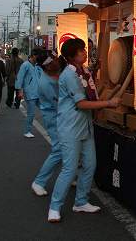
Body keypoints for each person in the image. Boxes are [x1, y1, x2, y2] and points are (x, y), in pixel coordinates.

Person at [47, 38, 120, 223]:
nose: (84, 53)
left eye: (84, 50)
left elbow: (92, 97)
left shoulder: (84, 72)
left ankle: (80, 201)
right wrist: (109, 103)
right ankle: (54, 207)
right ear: (71, 56)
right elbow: (81, 103)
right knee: (70, 169)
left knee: (90, 165)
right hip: (70, 128)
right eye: (81, 51)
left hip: (85, 127)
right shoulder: (69, 76)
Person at [31, 50, 62, 196]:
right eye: (53, 60)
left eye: (55, 58)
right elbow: (58, 103)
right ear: (47, 66)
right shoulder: (45, 83)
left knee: (70, 147)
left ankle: (70, 175)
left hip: (61, 115)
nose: (56, 61)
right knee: (59, 149)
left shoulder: (57, 72)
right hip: (54, 116)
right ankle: (39, 181)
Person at [15, 48, 41, 138]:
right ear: (33, 56)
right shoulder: (25, 65)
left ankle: (50, 129)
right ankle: (27, 131)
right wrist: (20, 90)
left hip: (39, 92)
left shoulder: (37, 66)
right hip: (29, 92)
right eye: (37, 56)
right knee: (31, 113)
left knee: (46, 110)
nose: (38, 58)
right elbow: (20, 78)